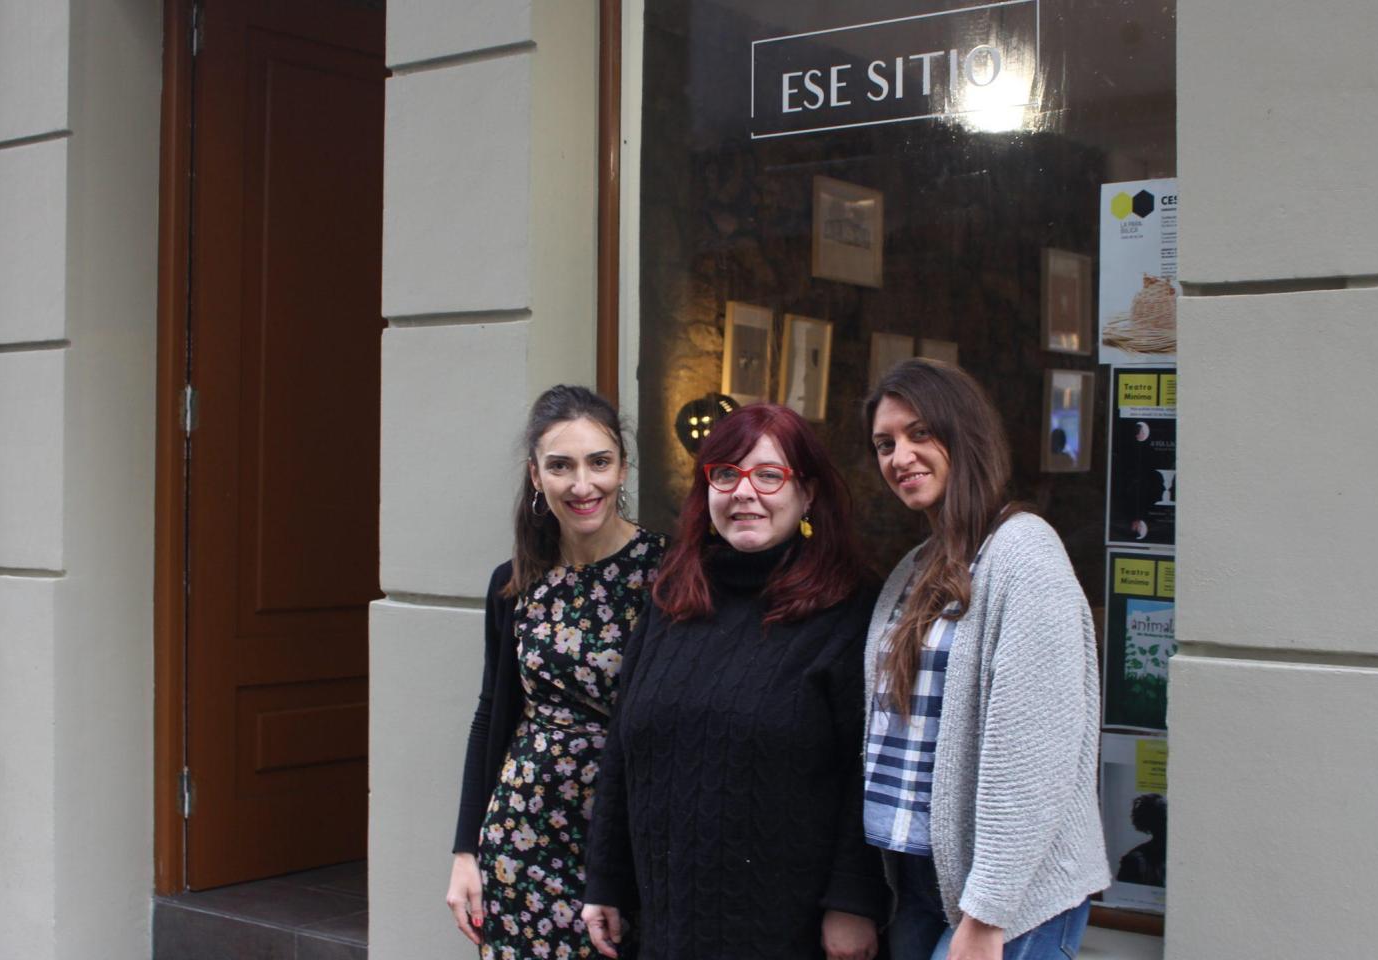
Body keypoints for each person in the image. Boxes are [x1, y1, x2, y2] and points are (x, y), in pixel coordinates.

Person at [581, 404, 887, 960]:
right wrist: (605, 880)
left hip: (788, 928)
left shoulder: (850, 607)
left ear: (809, 493)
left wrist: (854, 901)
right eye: (726, 473)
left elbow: (865, 770)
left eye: (769, 475)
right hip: (667, 919)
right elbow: (623, 750)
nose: (745, 492)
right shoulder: (673, 596)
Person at [861, 360, 1110, 960]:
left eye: (921, 433)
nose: (900, 456)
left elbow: (1034, 755)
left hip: (1008, 894)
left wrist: (989, 911)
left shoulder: (1024, 552)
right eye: (885, 443)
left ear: (964, 436)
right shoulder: (917, 563)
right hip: (923, 877)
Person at [447, 385, 668, 960]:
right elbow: (491, 714)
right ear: (536, 476)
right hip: (522, 840)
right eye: (561, 466)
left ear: (623, 468)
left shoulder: (669, 575)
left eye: (599, 462)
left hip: (627, 842)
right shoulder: (515, 582)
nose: (582, 484)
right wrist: (466, 851)